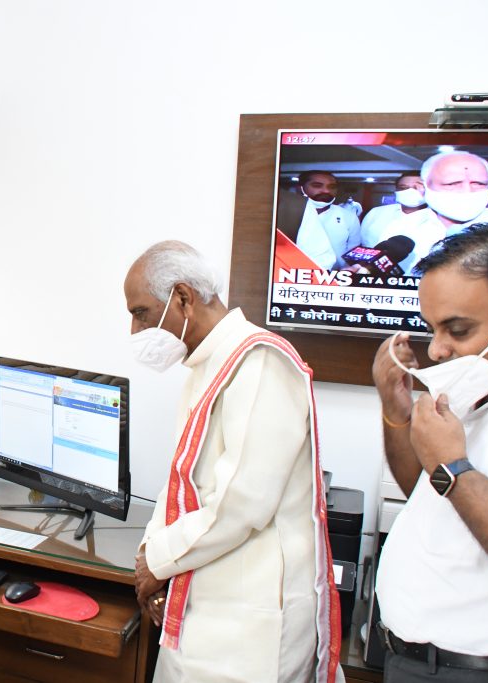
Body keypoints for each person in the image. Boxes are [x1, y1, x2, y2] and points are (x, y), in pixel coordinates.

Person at [125, 241, 342, 683]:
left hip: (247, 633)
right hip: (203, 610)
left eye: (141, 313)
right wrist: (149, 556)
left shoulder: (260, 361)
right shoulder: (206, 363)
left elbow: (242, 503)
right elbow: (181, 484)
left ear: (183, 298)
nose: (135, 330)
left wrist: (157, 562)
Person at [371, 224, 488, 681]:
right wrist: (396, 412)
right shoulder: (486, 380)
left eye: (457, 329)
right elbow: (430, 491)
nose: (437, 350)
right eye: (432, 329)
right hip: (415, 661)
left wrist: (453, 468)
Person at [377, 151, 488, 273]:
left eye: (478, 183)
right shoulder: (399, 229)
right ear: (426, 186)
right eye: (452, 183)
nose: (466, 191)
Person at [293, 170, 362, 269]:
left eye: (332, 187)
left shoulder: (348, 216)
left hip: (336, 275)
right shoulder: (288, 214)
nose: (326, 191)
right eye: (317, 185)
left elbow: (353, 250)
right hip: (294, 273)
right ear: (300, 188)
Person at [359, 173, 428, 248]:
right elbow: (363, 242)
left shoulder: (438, 219)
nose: (410, 191)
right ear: (396, 190)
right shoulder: (376, 212)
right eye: (404, 188)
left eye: (416, 188)